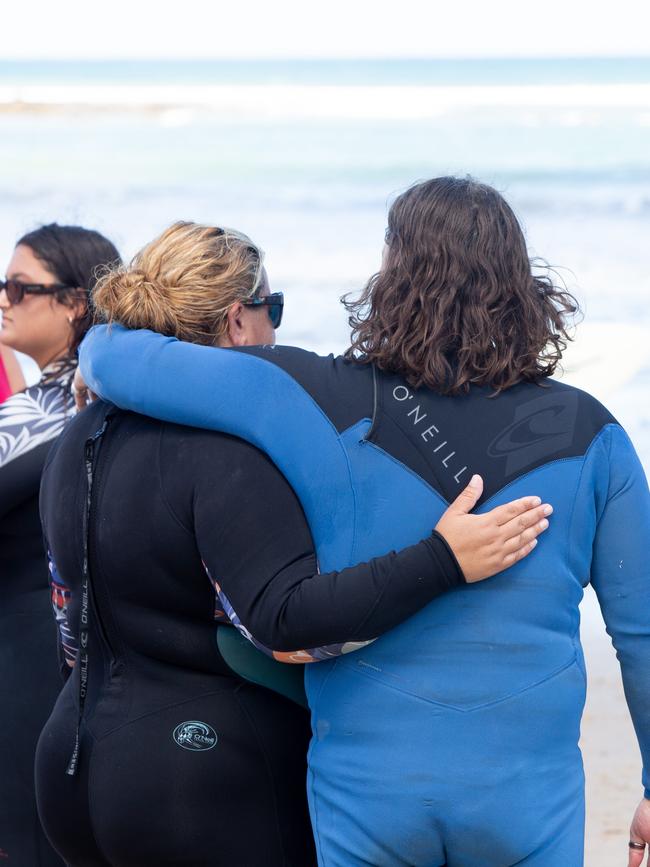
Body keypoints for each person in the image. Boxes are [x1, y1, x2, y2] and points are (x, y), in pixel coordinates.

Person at [80, 178, 650, 867]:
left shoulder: (305, 393)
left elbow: (114, 354)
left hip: (371, 795)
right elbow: (640, 634)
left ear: (390, 276)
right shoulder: (596, 434)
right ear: (521, 284)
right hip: (527, 797)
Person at [0, 223, 120, 866]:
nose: (4, 298)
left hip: (41, 664)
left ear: (75, 302)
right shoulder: (45, 407)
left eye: (21, 287)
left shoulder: (89, 407)